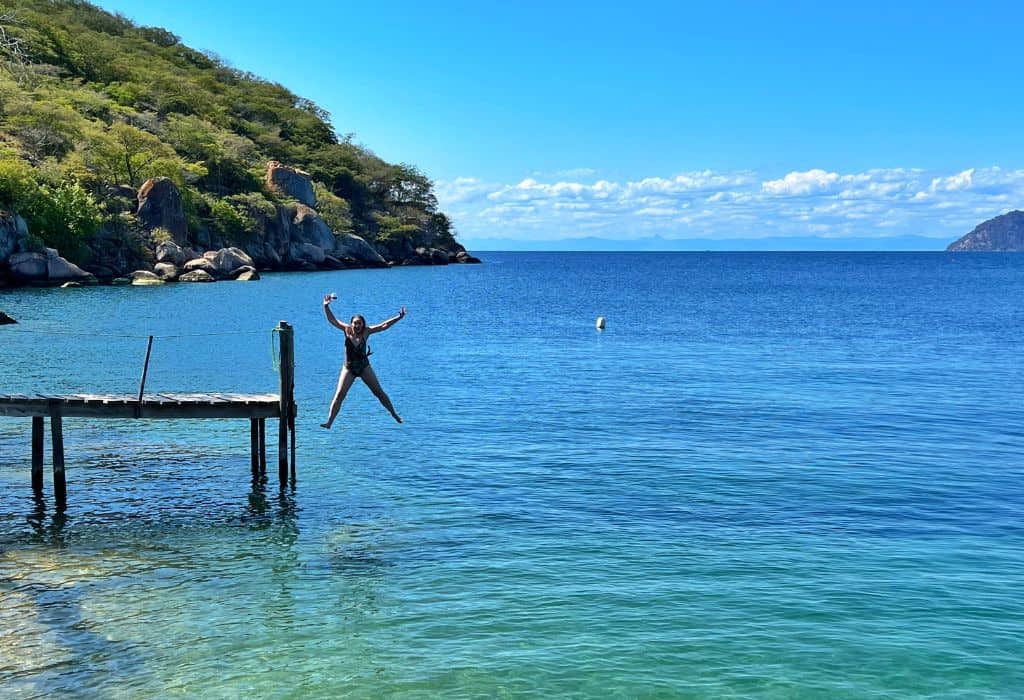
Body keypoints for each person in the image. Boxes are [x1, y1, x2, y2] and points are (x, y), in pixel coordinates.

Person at [321, 294, 405, 428]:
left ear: (363, 324)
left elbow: (384, 325)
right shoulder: (347, 330)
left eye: (359, 323)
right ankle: (329, 422)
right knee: (339, 395)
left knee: (378, 392)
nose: (357, 326)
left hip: (364, 367)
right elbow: (333, 321)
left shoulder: (367, 331)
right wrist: (325, 306)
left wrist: (398, 317)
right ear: (351, 323)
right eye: (355, 323)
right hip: (348, 368)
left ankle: (394, 414)